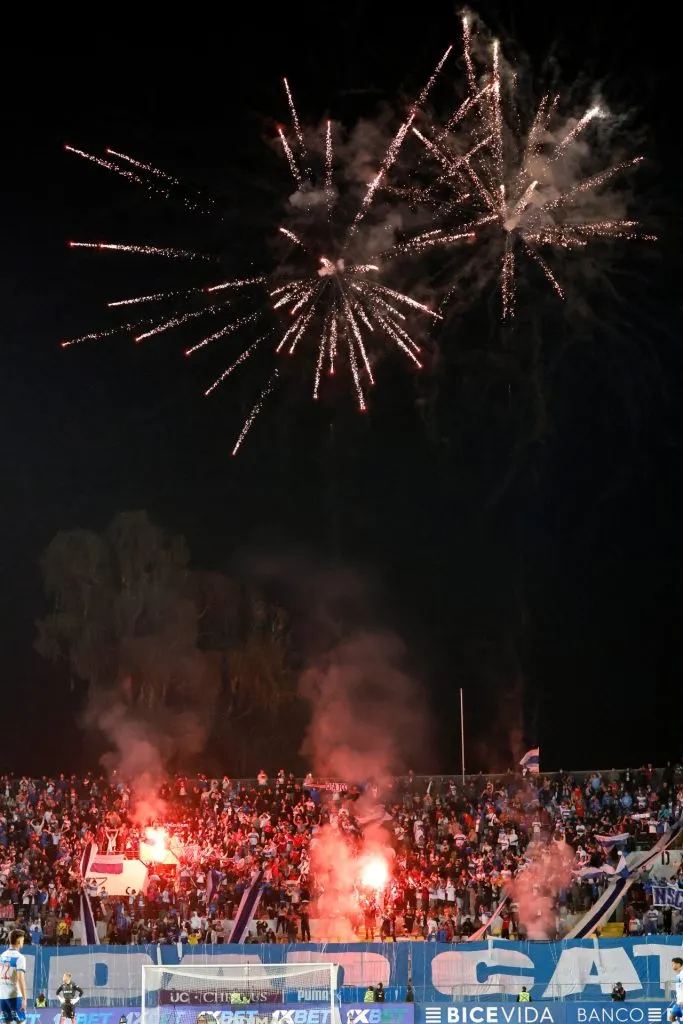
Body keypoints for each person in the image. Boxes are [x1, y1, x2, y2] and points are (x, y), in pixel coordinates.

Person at [0, 929, 27, 1024]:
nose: (23, 942)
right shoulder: (20, 957)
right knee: (21, 1022)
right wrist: (24, 999)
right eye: (23, 940)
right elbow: (20, 979)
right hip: (14, 996)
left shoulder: (2, 956)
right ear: (19, 941)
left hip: (2, 996)